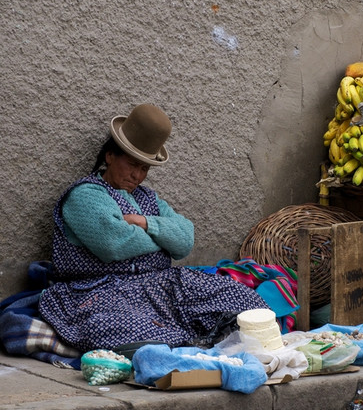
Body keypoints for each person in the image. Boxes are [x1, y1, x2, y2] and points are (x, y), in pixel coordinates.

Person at [38, 104, 269, 352]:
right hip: (101, 292)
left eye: (144, 168)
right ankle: (186, 343)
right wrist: (162, 240)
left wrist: (143, 222)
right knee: (118, 328)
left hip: (161, 287)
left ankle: (193, 340)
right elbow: (113, 244)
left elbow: (184, 241)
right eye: (131, 164)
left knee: (245, 301)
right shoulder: (85, 195)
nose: (137, 175)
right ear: (110, 156)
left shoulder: (148, 199)